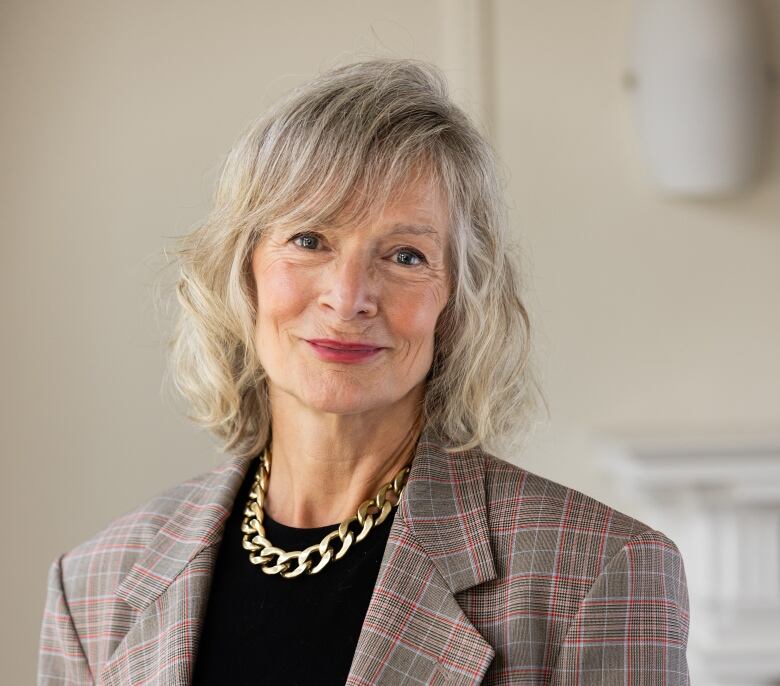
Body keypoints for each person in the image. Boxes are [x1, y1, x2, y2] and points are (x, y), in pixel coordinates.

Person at [37, 57, 690, 685]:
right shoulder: (94, 587)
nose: (349, 298)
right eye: (309, 240)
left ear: (457, 299)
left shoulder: (598, 575)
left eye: (406, 255)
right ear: (244, 273)